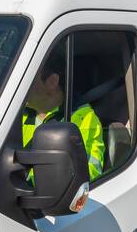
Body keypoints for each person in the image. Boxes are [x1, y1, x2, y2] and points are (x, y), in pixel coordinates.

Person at [21, 49, 104, 181]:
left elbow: (88, 174)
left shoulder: (83, 117)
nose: (20, 85)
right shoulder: (17, 114)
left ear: (52, 81)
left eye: (27, 78)